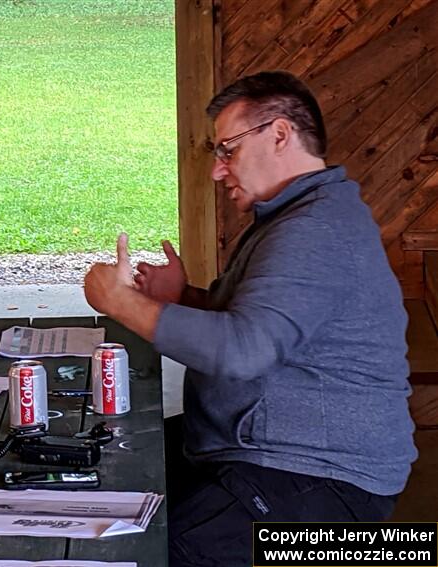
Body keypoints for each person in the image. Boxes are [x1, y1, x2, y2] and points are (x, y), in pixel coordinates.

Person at [83, 71, 416, 565]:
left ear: (279, 134)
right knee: (115, 466)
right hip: (271, 457)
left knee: (145, 552)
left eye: (227, 149)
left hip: (326, 492)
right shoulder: (302, 214)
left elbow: (243, 350)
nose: (219, 171)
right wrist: (183, 298)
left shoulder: (315, 229)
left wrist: (122, 303)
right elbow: (261, 326)